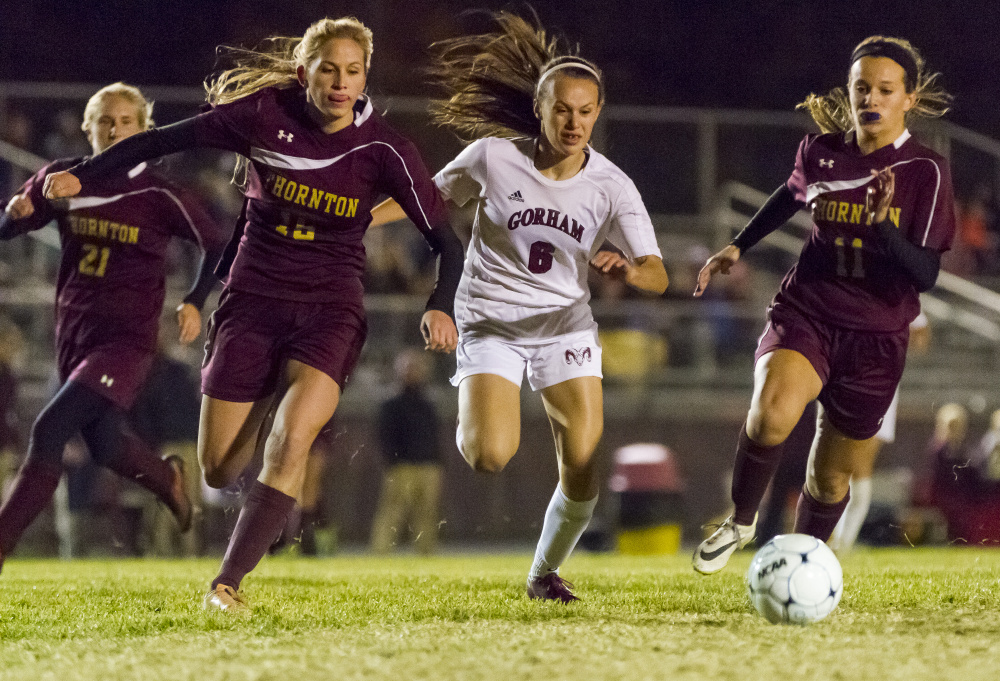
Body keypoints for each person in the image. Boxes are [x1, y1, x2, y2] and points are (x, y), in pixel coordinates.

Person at [44, 17, 464, 614]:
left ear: (364, 78)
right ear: (304, 72)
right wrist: (80, 175)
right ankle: (258, 431)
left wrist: (439, 305)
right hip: (252, 304)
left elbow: (448, 242)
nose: (341, 83)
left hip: (329, 309)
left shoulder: (385, 148)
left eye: (353, 72)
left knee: (293, 441)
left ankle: (227, 583)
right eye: (328, 69)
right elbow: (158, 142)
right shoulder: (264, 114)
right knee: (218, 470)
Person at [372, 12, 668, 601]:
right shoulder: (491, 157)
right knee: (489, 455)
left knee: (583, 462)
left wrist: (632, 269)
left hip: (565, 328)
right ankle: (481, 405)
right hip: (489, 321)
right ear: (539, 108)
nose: (574, 121)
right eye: (562, 109)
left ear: (598, 113)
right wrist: (344, 215)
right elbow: (424, 201)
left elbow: (658, 274)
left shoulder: (612, 186)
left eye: (586, 111)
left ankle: (543, 574)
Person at [691, 36, 955, 574]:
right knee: (771, 415)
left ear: (908, 98)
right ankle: (740, 520)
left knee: (830, 476)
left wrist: (883, 225)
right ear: (850, 92)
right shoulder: (820, 150)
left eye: (885, 89)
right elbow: (789, 196)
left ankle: (803, 564)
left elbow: (925, 273)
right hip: (807, 309)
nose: (871, 98)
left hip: (877, 336)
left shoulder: (925, 171)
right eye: (861, 87)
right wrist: (739, 244)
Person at [0, 82, 229, 572]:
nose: (116, 129)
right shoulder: (62, 179)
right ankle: (166, 481)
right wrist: (13, 215)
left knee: (49, 429)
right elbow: (14, 222)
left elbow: (215, 243)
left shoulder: (157, 191)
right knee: (104, 444)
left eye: (127, 122)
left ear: (145, 130)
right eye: (105, 120)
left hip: (126, 341)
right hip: (73, 336)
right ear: (88, 129)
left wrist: (193, 300)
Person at [370, 348, 444, 555]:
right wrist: (391, 462)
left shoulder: (427, 404)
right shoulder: (391, 404)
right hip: (401, 466)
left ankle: (426, 552)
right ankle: (380, 552)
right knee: (392, 512)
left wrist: (437, 462)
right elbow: (385, 437)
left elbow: (433, 436)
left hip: (428, 465)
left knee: (427, 514)